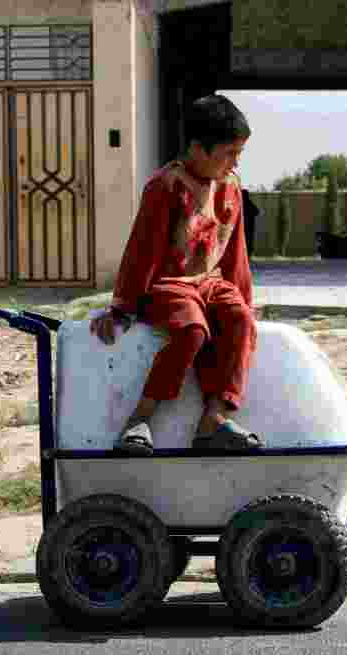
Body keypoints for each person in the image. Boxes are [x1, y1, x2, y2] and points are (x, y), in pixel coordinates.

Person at [89, 94, 264, 455]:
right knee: (192, 331)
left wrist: (244, 301)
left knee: (241, 322)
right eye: (228, 153)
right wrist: (122, 309)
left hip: (211, 282)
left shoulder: (230, 188)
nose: (235, 163)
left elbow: (235, 252)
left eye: (239, 154)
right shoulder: (166, 186)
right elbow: (143, 250)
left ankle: (213, 420)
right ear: (199, 149)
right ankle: (140, 418)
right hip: (169, 284)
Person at [241, 187, 261, 257]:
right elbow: (257, 212)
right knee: (248, 243)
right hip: (249, 229)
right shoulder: (249, 204)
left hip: (243, 229)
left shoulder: (240, 204)